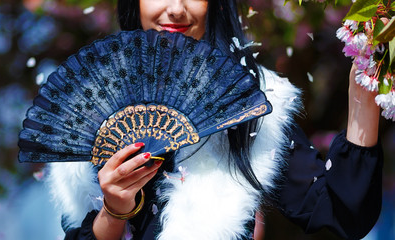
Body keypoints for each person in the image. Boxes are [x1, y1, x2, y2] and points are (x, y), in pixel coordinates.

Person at [45, 0, 383, 239]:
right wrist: (115, 207)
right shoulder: (93, 105)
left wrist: (362, 103)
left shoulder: (254, 104)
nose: (176, 8)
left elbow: (342, 215)